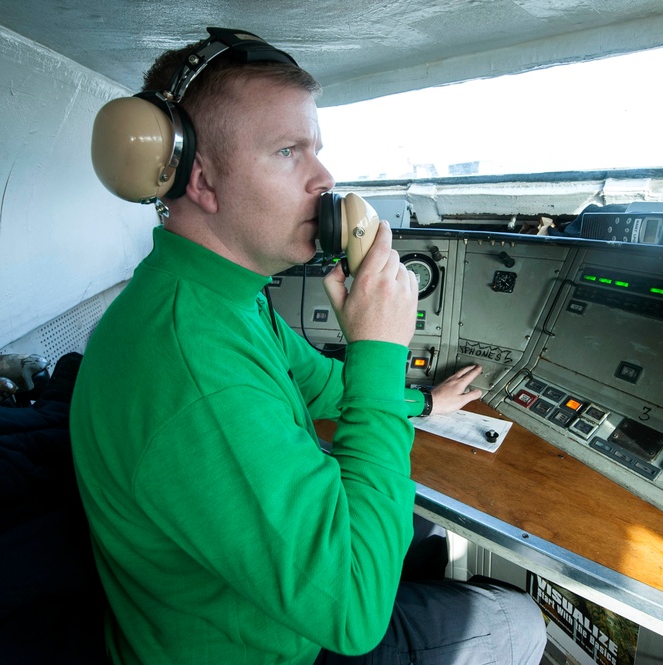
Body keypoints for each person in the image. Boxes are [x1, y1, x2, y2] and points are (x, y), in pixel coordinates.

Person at [70, 28, 547, 665]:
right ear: (202, 180)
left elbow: (320, 383)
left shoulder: (217, 296)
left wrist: (424, 405)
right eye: (289, 151)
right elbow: (354, 616)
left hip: (237, 608)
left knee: (421, 536)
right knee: (516, 621)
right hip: (268, 648)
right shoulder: (196, 367)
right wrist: (379, 345)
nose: (325, 178)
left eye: (316, 149)